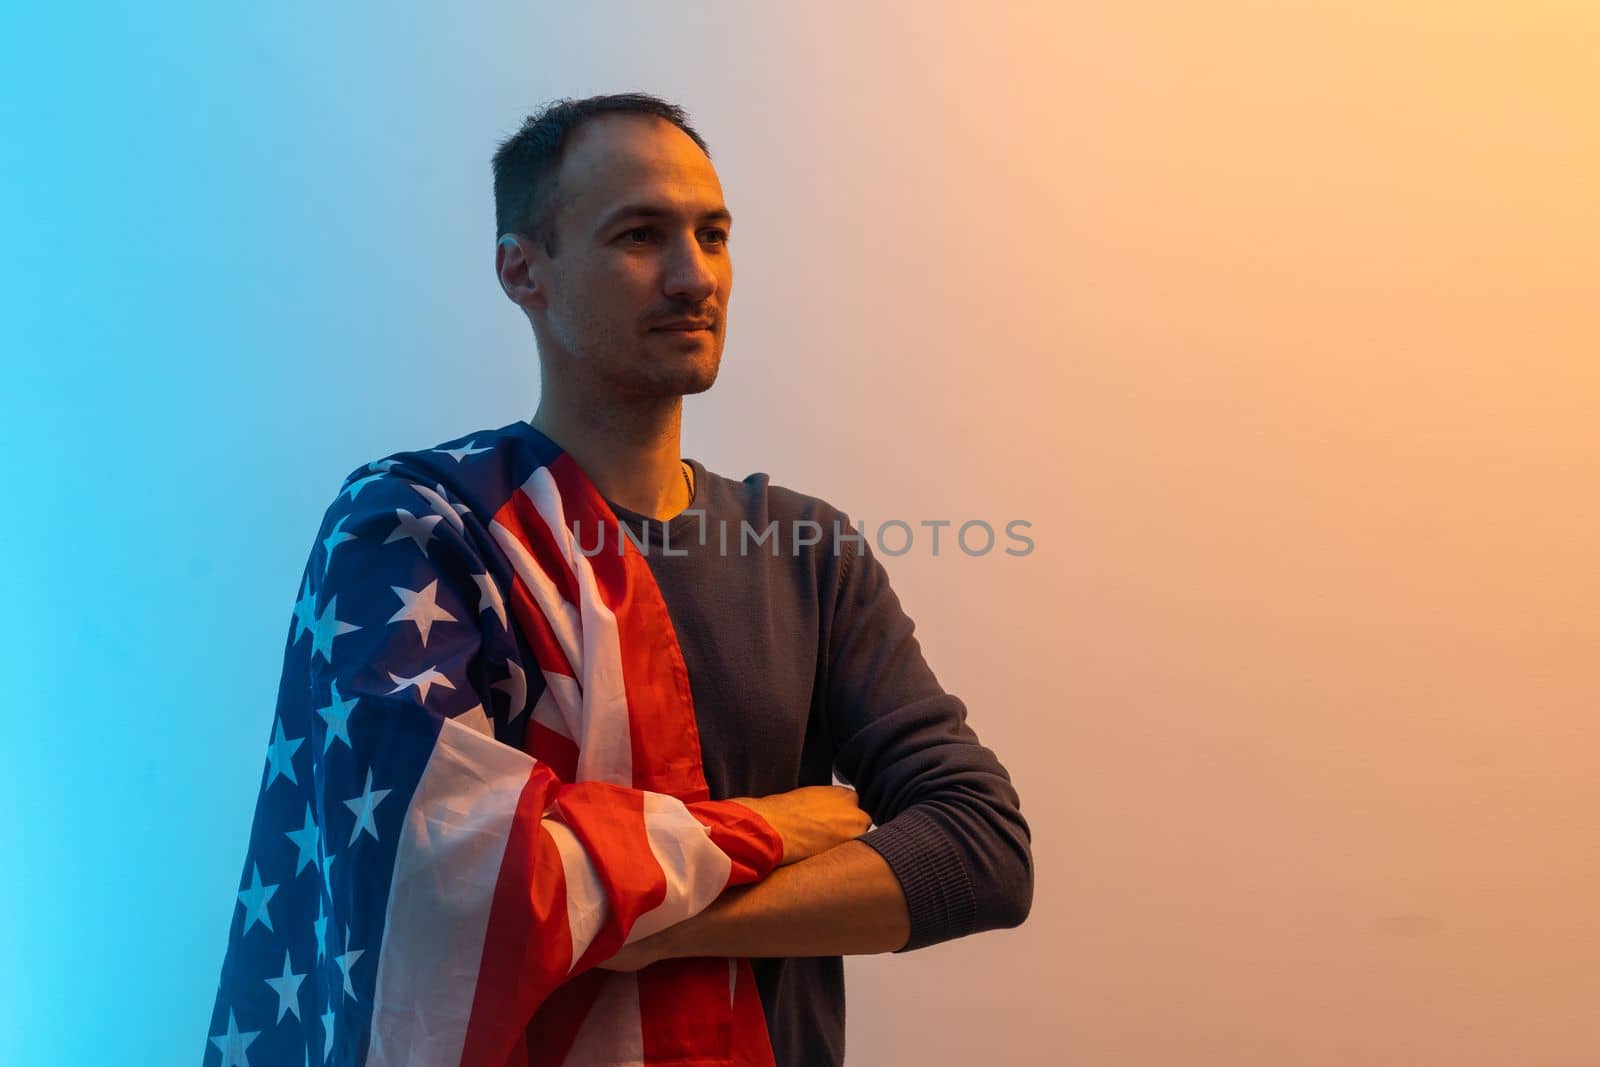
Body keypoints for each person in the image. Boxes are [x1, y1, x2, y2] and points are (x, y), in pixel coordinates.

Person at [207, 92, 1031, 1067]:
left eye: (712, 234)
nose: (694, 276)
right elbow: (432, 886)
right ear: (523, 269)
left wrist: (623, 919)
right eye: (640, 235)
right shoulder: (415, 531)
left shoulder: (807, 548)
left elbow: (981, 853)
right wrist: (774, 827)